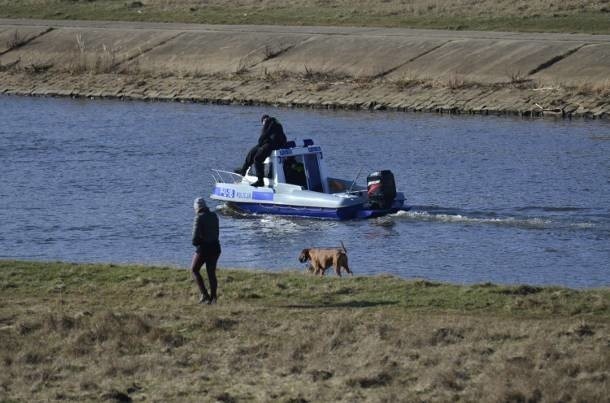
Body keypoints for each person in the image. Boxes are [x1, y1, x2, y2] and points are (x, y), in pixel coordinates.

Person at [236, 114, 287, 187]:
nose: (263, 124)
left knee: (257, 159)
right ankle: (244, 170)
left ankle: (260, 181)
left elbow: (263, 136)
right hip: (271, 142)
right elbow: (266, 136)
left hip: (273, 144)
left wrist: (261, 142)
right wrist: (260, 143)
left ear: (264, 121)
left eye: (263, 122)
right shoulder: (274, 123)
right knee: (252, 151)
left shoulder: (269, 123)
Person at [191, 197, 221, 305]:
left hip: (205, 248)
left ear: (197, 207)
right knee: (211, 273)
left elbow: (194, 239)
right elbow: (216, 233)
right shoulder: (214, 216)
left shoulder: (198, 218)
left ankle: (204, 295)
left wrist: (197, 243)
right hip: (216, 247)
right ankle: (213, 298)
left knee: (194, 269)